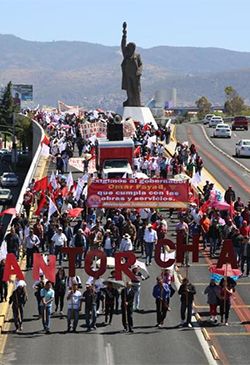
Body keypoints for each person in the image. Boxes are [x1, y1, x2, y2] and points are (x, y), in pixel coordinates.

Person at [121, 22, 142, 107]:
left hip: (135, 76)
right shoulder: (126, 55)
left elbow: (141, 64)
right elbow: (122, 45)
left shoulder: (137, 56)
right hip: (128, 75)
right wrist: (124, 34)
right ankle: (130, 101)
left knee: (136, 90)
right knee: (129, 89)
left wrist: (139, 71)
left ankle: (137, 103)